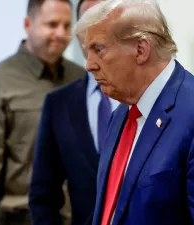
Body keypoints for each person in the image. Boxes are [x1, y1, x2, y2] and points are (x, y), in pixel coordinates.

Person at [0, 0, 86, 224]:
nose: (60, 33)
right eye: (52, 24)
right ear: (28, 25)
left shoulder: (82, 80)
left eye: (67, 26)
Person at [74, 0, 194, 224]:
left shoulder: (190, 112)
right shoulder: (122, 113)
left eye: (98, 49)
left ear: (141, 49)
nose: (89, 65)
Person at [28, 0, 119, 224]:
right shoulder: (58, 104)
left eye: (105, 19)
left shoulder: (143, 97)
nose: (96, 29)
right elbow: (43, 196)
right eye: (88, 21)